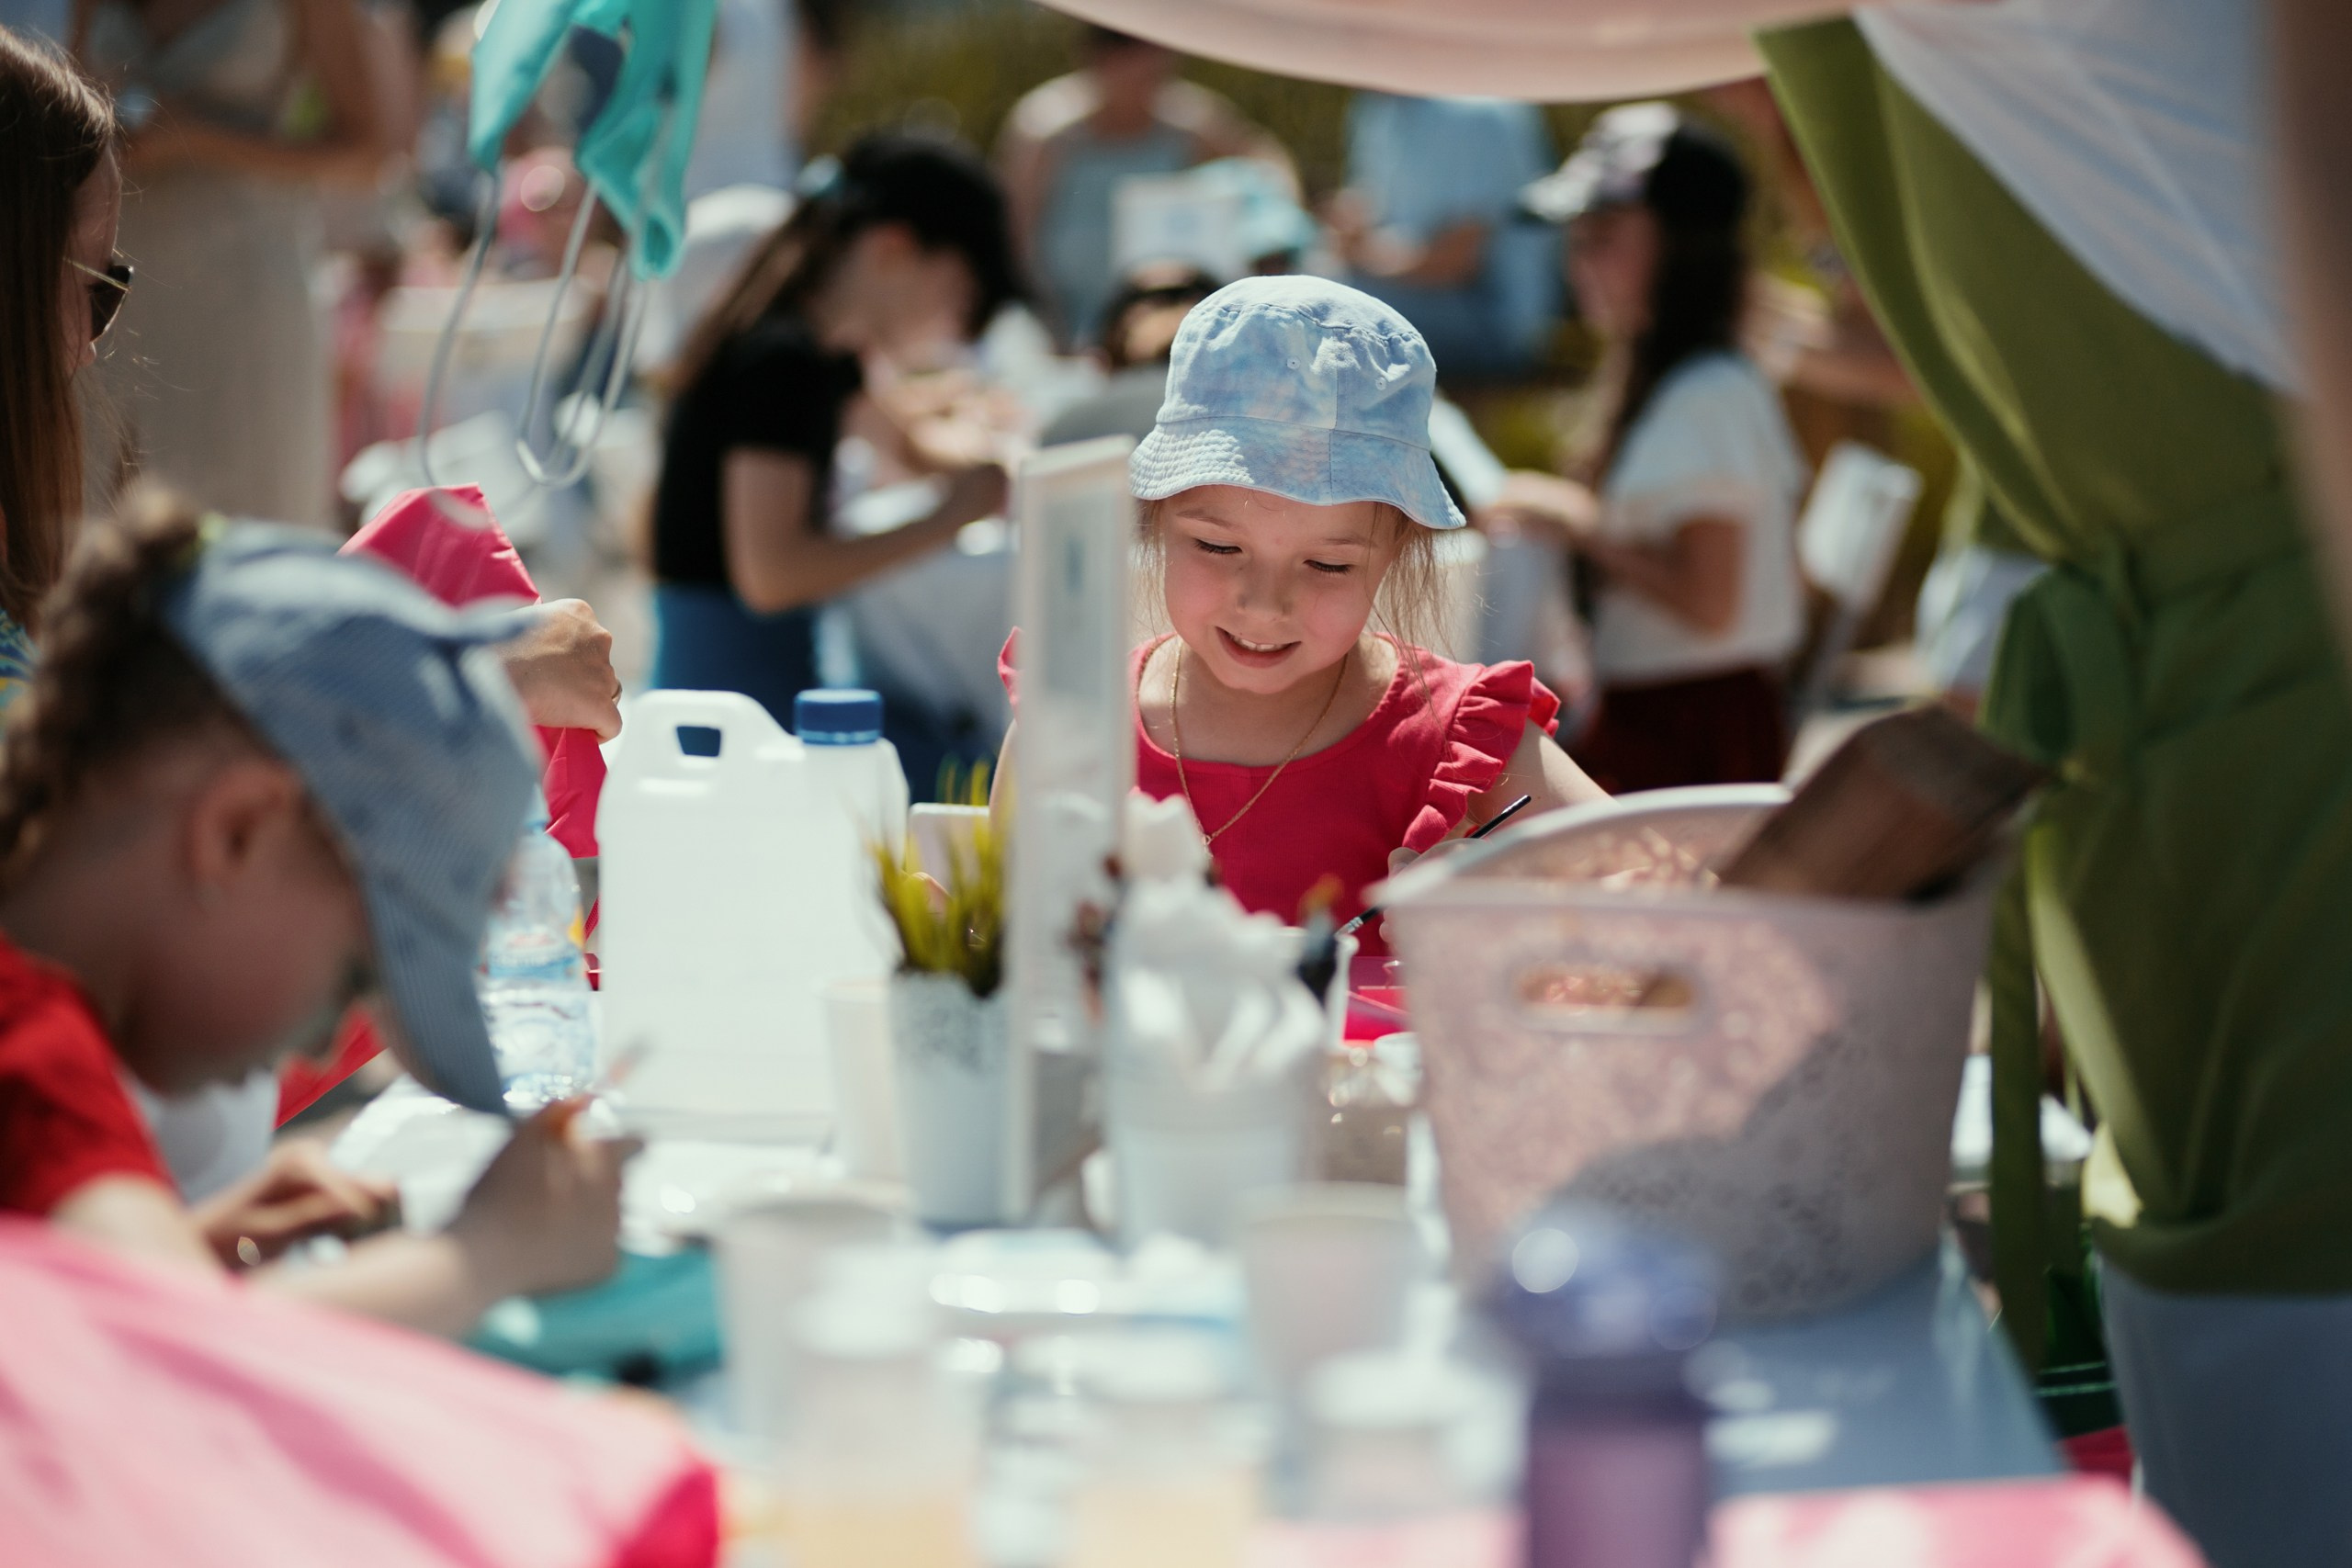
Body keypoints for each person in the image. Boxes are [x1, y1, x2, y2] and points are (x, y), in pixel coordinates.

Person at [0, 491, 635, 1337]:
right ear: (236, 831)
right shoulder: (28, 1042)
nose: (323, 1044)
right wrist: (487, 1250)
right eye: (351, 978)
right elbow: (158, 1351)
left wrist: (180, 1249)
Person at [1000, 276, 1605, 947]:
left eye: (1328, 565)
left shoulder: (1460, 739)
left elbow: (1690, 907)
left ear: (1395, 548)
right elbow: (991, 960)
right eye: (1218, 545)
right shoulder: (1074, 723)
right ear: (1155, 514)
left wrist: (1526, 904)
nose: (1264, 604)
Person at [647, 134, 1019, 763]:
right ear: (894, 251)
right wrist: (950, 517)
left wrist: (997, 470)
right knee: (974, 771)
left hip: (775, 682)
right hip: (734, 715)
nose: (956, 330)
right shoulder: (780, 362)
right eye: (957, 298)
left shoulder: (828, 354)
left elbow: (913, 451)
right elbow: (771, 575)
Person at [1483, 105, 1806, 793]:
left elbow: (1709, 601)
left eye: (1603, 235)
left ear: (1682, 245)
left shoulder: (1708, 396)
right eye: (1574, 239)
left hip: (1691, 735)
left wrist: (1576, 519)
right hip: (1658, 716)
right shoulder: (1667, 378)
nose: (1578, 262)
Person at [70, 0, 395, 526]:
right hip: (114, 295)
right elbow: (67, 107)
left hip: (245, 294)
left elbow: (368, 154)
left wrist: (197, 138)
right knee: (93, 547)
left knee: (246, 536)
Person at [997, 25, 1292, 350]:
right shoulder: (1044, 135)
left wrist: (1279, 228)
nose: (1141, 88)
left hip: (1166, 333)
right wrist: (1052, 330)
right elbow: (1016, 244)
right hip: (1064, 333)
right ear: (1097, 62)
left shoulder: (1190, 124)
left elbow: (1266, 162)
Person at [1327, 92, 1559, 380]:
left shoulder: (1479, 114)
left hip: (1492, 324)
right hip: (1409, 293)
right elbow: (1365, 210)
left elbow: (1457, 263)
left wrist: (1362, 258)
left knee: (1327, 310)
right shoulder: (1376, 108)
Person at [1036, 261, 1217, 448]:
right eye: (1153, 304)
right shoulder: (1071, 427)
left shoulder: (1066, 428)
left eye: (1180, 299)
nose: (1168, 316)